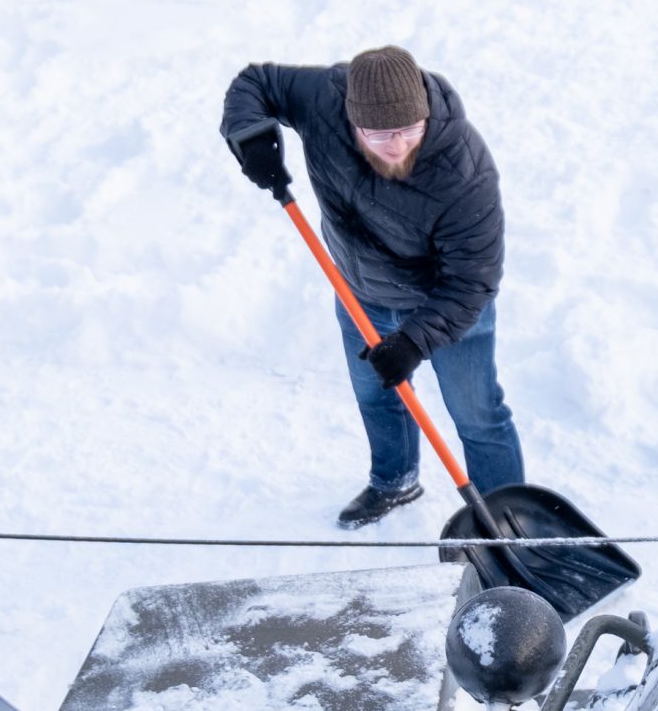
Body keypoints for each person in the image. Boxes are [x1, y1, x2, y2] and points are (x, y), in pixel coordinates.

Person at [222, 45, 524, 526]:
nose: (397, 145)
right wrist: (251, 136)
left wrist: (413, 341)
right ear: (350, 120)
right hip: (360, 292)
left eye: (410, 130)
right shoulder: (322, 101)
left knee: (478, 413)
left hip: (445, 303)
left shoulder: (464, 171)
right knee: (376, 395)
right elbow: (255, 83)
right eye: (380, 134)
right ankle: (395, 481)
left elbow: (473, 281)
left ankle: (512, 522)